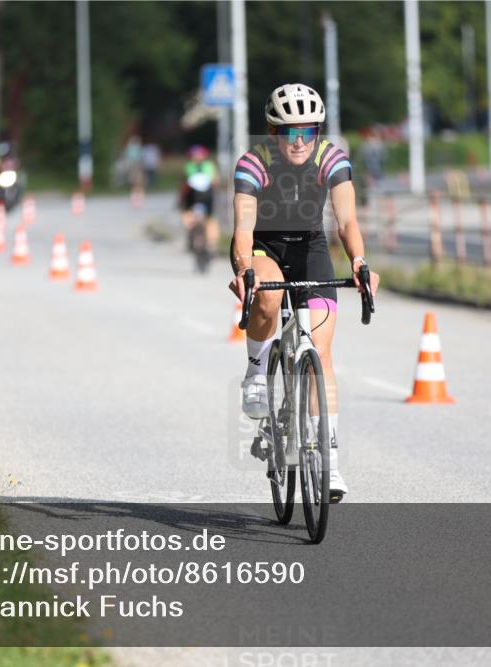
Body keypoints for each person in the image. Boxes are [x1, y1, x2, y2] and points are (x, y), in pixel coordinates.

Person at [229, 83, 380, 502]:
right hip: (263, 246)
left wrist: (359, 262)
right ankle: (257, 372)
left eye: (308, 131)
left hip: (310, 245)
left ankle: (326, 456)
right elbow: (242, 230)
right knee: (270, 296)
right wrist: (244, 270)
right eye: (289, 131)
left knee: (322, 351)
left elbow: (347, 221)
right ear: (272, 132)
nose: (298, 140)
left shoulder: (331, 158)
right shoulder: (252, 163)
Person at [180, 145, 220, 264]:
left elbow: (184, 185)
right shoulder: (209, 166)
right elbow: (214, 182)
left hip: (197, 197)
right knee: (209, 220)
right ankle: (211, 245)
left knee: (194, 218)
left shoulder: (188, 166)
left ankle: (207, 243)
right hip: (203, 197)